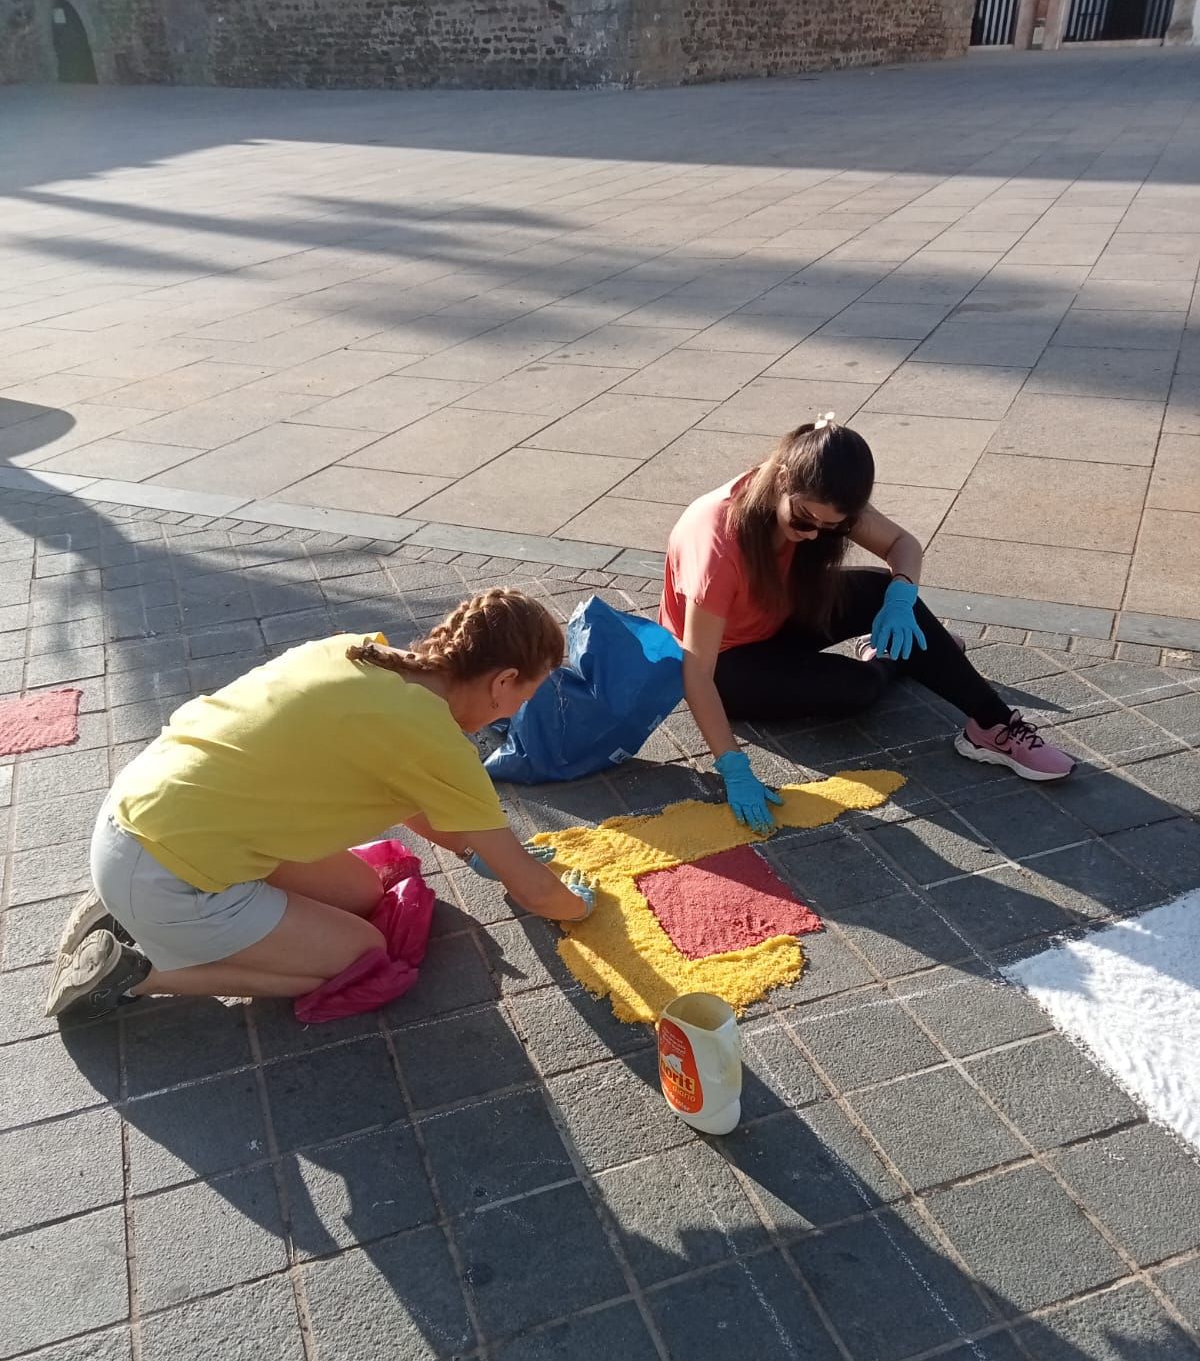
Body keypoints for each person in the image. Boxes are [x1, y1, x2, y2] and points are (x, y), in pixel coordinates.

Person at [45, 590, 594, 1022]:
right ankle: (137, 972)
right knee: (362, 959)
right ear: (502, 681)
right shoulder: (437, 742)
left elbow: (402, 796)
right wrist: (584, 908)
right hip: (168, 876)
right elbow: (536, 892)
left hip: (139, 814)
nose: (515, 713)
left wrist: (474, 852)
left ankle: (118, 907)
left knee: (363, 893)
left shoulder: (361, 651)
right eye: (525, 696)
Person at [660, 415, 1074, 833]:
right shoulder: (716, 540)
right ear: (783, 479)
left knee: (883, 589)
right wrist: (732, 766)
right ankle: (896, 657)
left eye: (831, 528)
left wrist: (899, 599)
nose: (812, 535)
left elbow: (902, 545)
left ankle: (992, 725)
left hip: (778, 616)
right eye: (803, 521)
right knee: (860, 688)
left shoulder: (825, 493)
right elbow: (696, 670)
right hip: (730, 664)